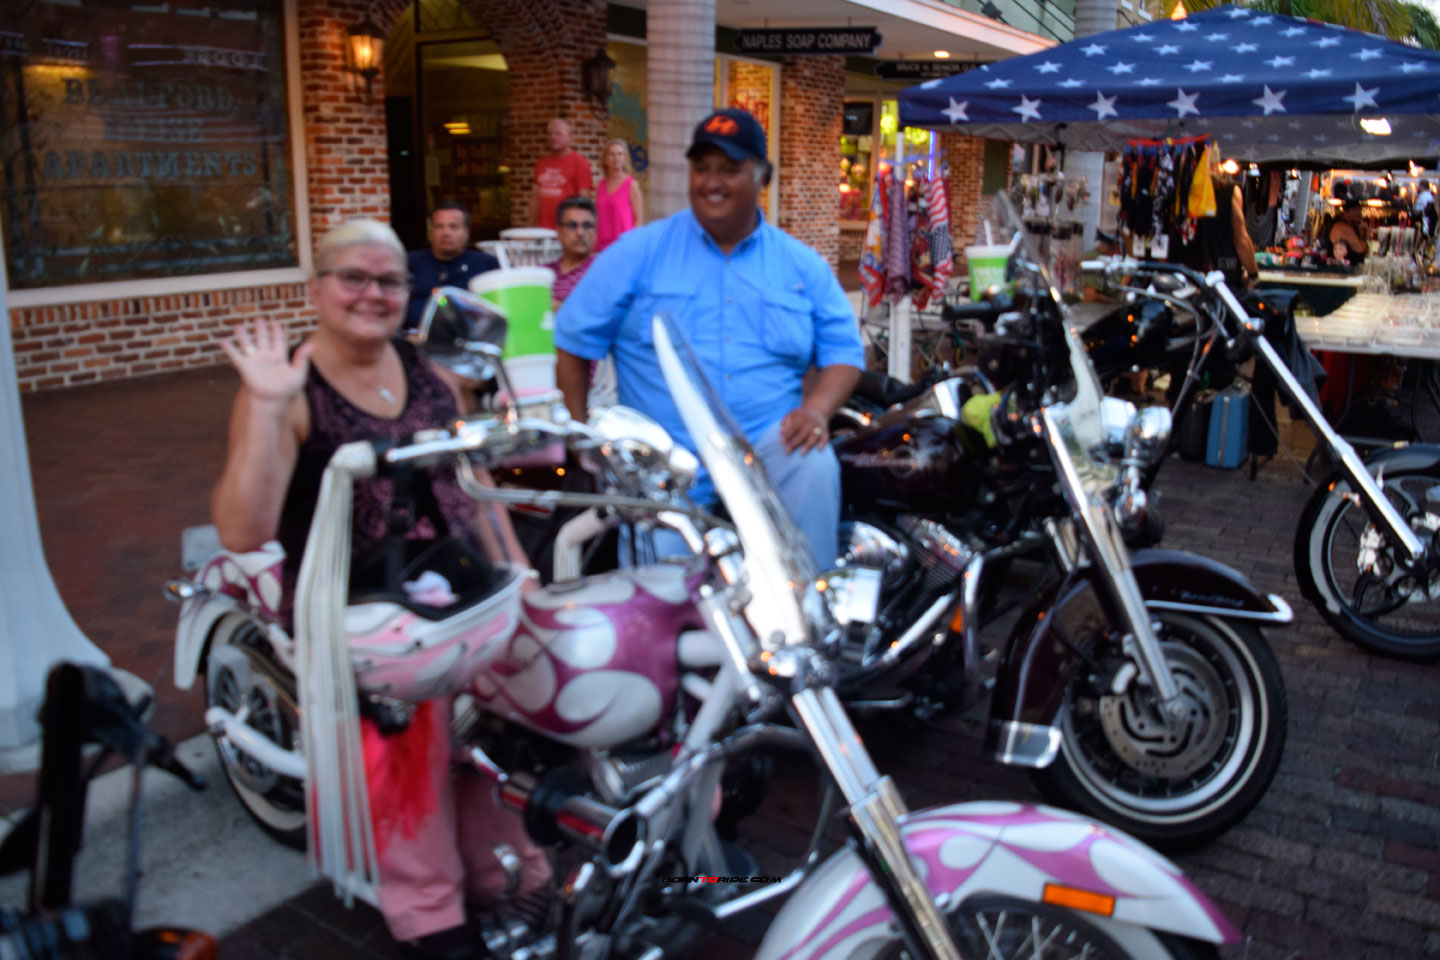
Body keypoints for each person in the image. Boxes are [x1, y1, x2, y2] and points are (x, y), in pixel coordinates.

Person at [211, 219, 548, 960]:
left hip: (460, 591)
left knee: (501, 734)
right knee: (408, 756)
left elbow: (471, 477)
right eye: (353, 278)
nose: (373, 293)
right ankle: (428, 915)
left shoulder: (427, 371)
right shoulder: (292, 387)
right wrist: (265, 405)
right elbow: (242, 528)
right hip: (363, 614)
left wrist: (517, 571)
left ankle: (504, 871)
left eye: (390, 280)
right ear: (317, 289)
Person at [554, 107, 863, 568]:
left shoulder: (801, 265)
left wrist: (817, 411)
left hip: (770, 442)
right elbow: (573, 341)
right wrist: (582, 440)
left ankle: (811, 601)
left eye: (730, 169)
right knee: (665, 590)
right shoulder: (637, 252)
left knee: (813, 465)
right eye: (702, 168)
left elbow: (844, 352)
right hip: (666, 454)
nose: (712, 182)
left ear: (762, 177)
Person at [406, 202, 499, 330]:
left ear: (467, 232)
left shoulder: (487, 266)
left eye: (453, 227)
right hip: (414, 337)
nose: (446, 233)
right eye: (439, 226)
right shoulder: (409, 263)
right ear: (431, 231)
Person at [533, 118, 593, 231]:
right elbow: (535, 198)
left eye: (558, 133)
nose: (553, 137)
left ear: (569, 136)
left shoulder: (580, 163)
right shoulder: (541, 163)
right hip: (543, 231)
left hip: (567, 231)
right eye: (550, 133)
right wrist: (529, 227)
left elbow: (584, 201)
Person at [546, 195, 598, 303]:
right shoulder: (544, 272)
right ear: (558, 232)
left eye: (587, 226)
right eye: (572, 225)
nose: (580, 232)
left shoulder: (601, 271)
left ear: (595, 232)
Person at [595, 139, 642, 252]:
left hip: (624, 244)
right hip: (602, 245)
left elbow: (638, 219)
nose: (616, 158)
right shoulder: (600, 185)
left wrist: (634, 244)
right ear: (605, 158)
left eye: (620, 154)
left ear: (625, 158)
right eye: (611, 154)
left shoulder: (631, 184)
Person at [1328, 199, 1369, 267]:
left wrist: (1366, 230)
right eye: (1356, 210)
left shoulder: (1351, 226)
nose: (1359, 214)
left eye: (1360, 210)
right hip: (1340, 269)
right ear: (1346, 211)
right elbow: (1360, 249)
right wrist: (1367, 241)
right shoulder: (1342, 227)